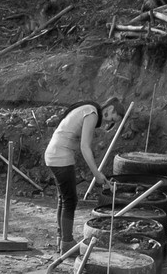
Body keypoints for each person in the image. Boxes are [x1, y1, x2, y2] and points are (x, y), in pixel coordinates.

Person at [44, 99, 120, 252]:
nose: (108, 122)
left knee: (64, 198)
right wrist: (96, 174)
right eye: (111, 118)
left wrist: (97, 174)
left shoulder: (87, 109)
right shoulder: (91, 113)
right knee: (70, 200)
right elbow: (85, 147)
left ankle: (62, 239)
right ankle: (66, 243)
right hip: (60, 156)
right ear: (110, 108)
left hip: (54, 154)